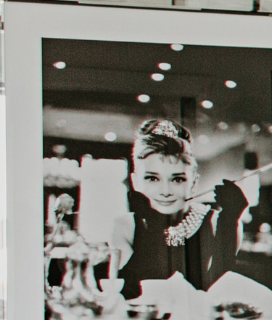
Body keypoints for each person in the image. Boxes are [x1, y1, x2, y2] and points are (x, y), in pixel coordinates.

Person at [111, 118, 261, 294]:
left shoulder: (217, 221)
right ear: (135, 181)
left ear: (194, 183)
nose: (165, 191)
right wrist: (152, 224)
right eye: (152, 178)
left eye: (177, 179)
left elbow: (219, 292)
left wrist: (229, 222)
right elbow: (128, 291)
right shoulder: (125, 225)